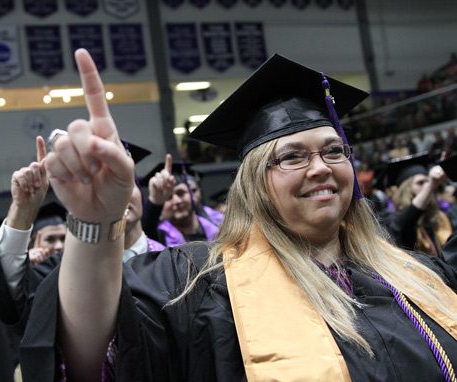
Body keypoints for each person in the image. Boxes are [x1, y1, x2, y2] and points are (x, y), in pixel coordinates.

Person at [29, 50, 457, 381]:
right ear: (254, 182)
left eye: (332, 149)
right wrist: (97, 222)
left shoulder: (416, 274)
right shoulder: (199, 285)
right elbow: (92, 354)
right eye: (291, 156)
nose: (321, 167)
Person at [0, 135, 164, 333]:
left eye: (123, 183)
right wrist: (22, 212)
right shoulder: (60, 272)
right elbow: (13, 302)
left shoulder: (177, 262)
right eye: (98, 187)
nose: (114, 195)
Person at [386, 153, 452, 257]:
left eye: (427, 182)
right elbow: (406, 221)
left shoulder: (437, 216)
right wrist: (432, 184)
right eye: (420, 183)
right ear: (406, 189)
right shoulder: (393, 220)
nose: (426, 186)